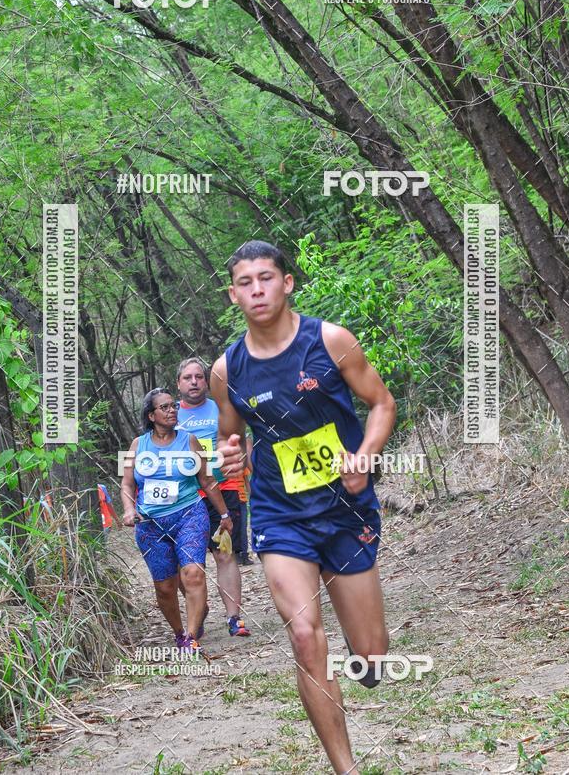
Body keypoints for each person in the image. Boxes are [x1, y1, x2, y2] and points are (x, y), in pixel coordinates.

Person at [212, 240, 396, 775]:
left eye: (266, 278)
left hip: (346, 510)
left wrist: (364, 457)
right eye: (245, 283)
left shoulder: (331, 341)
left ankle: (369, 660)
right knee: (304, 635)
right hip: (279, 514)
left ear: (287, 283)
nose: (257, 290)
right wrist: (229, 454)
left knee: (370, 656)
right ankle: (346, 769)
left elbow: (381, 403)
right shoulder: (228, 370)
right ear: (233, 295)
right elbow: (231, 440)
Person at [121, 388, 232, 651]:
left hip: (188, 514)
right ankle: (180, 631)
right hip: (150, 524)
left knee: (193, 574)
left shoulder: (188, 440)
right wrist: (128, 509)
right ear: (151, 415)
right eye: (165, 407)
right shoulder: (138, 445)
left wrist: (225, 514)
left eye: (174, 406)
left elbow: (207, 479)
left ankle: (190, 639)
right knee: (165, 588)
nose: (172, 410)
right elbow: (126, 484)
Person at [176, 358, 251, 637]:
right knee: (187, 562)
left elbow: (242, 439)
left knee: (224, 553)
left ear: (206, 382)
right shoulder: (170, 414)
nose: (194, 382)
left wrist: (241, 460)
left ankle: (234, 618)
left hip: (225, 487)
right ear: (178, 383)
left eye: (199, 376)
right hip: (187, 495)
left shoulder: (221, 408)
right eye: (188, 377)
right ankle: (200, 607)